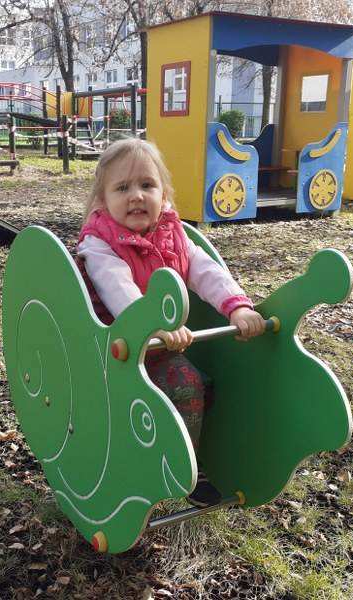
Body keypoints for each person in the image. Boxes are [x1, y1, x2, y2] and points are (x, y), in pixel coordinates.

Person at [76, 138, 265, 508]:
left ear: (163, 194)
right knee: (178, 386)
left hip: (161, 344)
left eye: (147, 185)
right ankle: (176, 467)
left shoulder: (174, 234)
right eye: (122, 187)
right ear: (102, 199)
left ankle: (189, 458)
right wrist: (154, 325)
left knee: (203, 382)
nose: (136, 195)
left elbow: (206, 271)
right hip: (116, 348)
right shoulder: (99, 244)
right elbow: (118, 288)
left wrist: (237, 308)